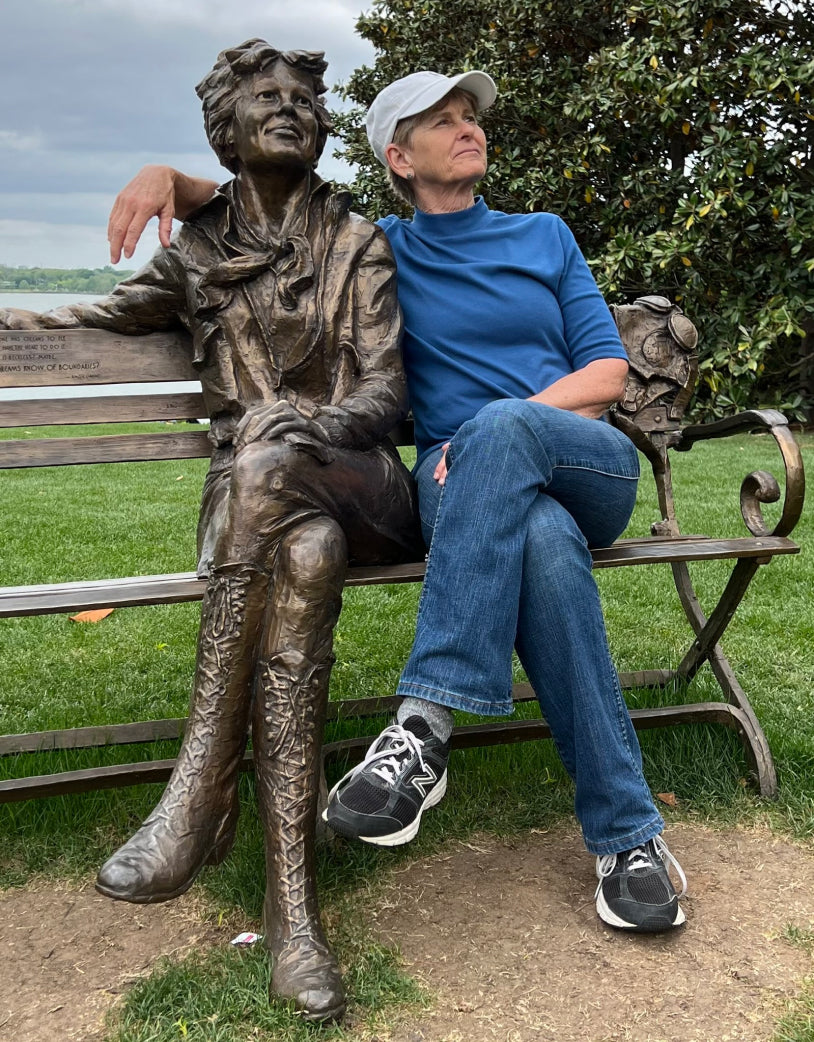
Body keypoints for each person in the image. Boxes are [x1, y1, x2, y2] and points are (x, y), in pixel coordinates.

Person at [103, 70, 688, 934]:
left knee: (499, 436)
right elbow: (272, 205)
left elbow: (605, 374)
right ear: (398, 159)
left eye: (470, 118)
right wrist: (172, 178)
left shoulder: (544, 235)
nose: (467, 129)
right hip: (469, 495)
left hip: (581, 458)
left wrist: (505, 425)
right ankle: (629, 839)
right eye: (441, 122)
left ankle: (424, 726)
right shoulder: (377, 250)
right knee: (544, 548)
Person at [0, 40, 425, 1022]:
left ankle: (199, 785)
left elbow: (385, 393)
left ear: (320, 130)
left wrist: (303, 427)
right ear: (224, 131)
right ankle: (293, 920)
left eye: (300, 100)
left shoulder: (354, 240)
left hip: (360, 482)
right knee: (301, 555)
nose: (285, 108)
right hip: (265, 519)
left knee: (276, 465)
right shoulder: (195, 252)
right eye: (261, 98)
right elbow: (91, 316)